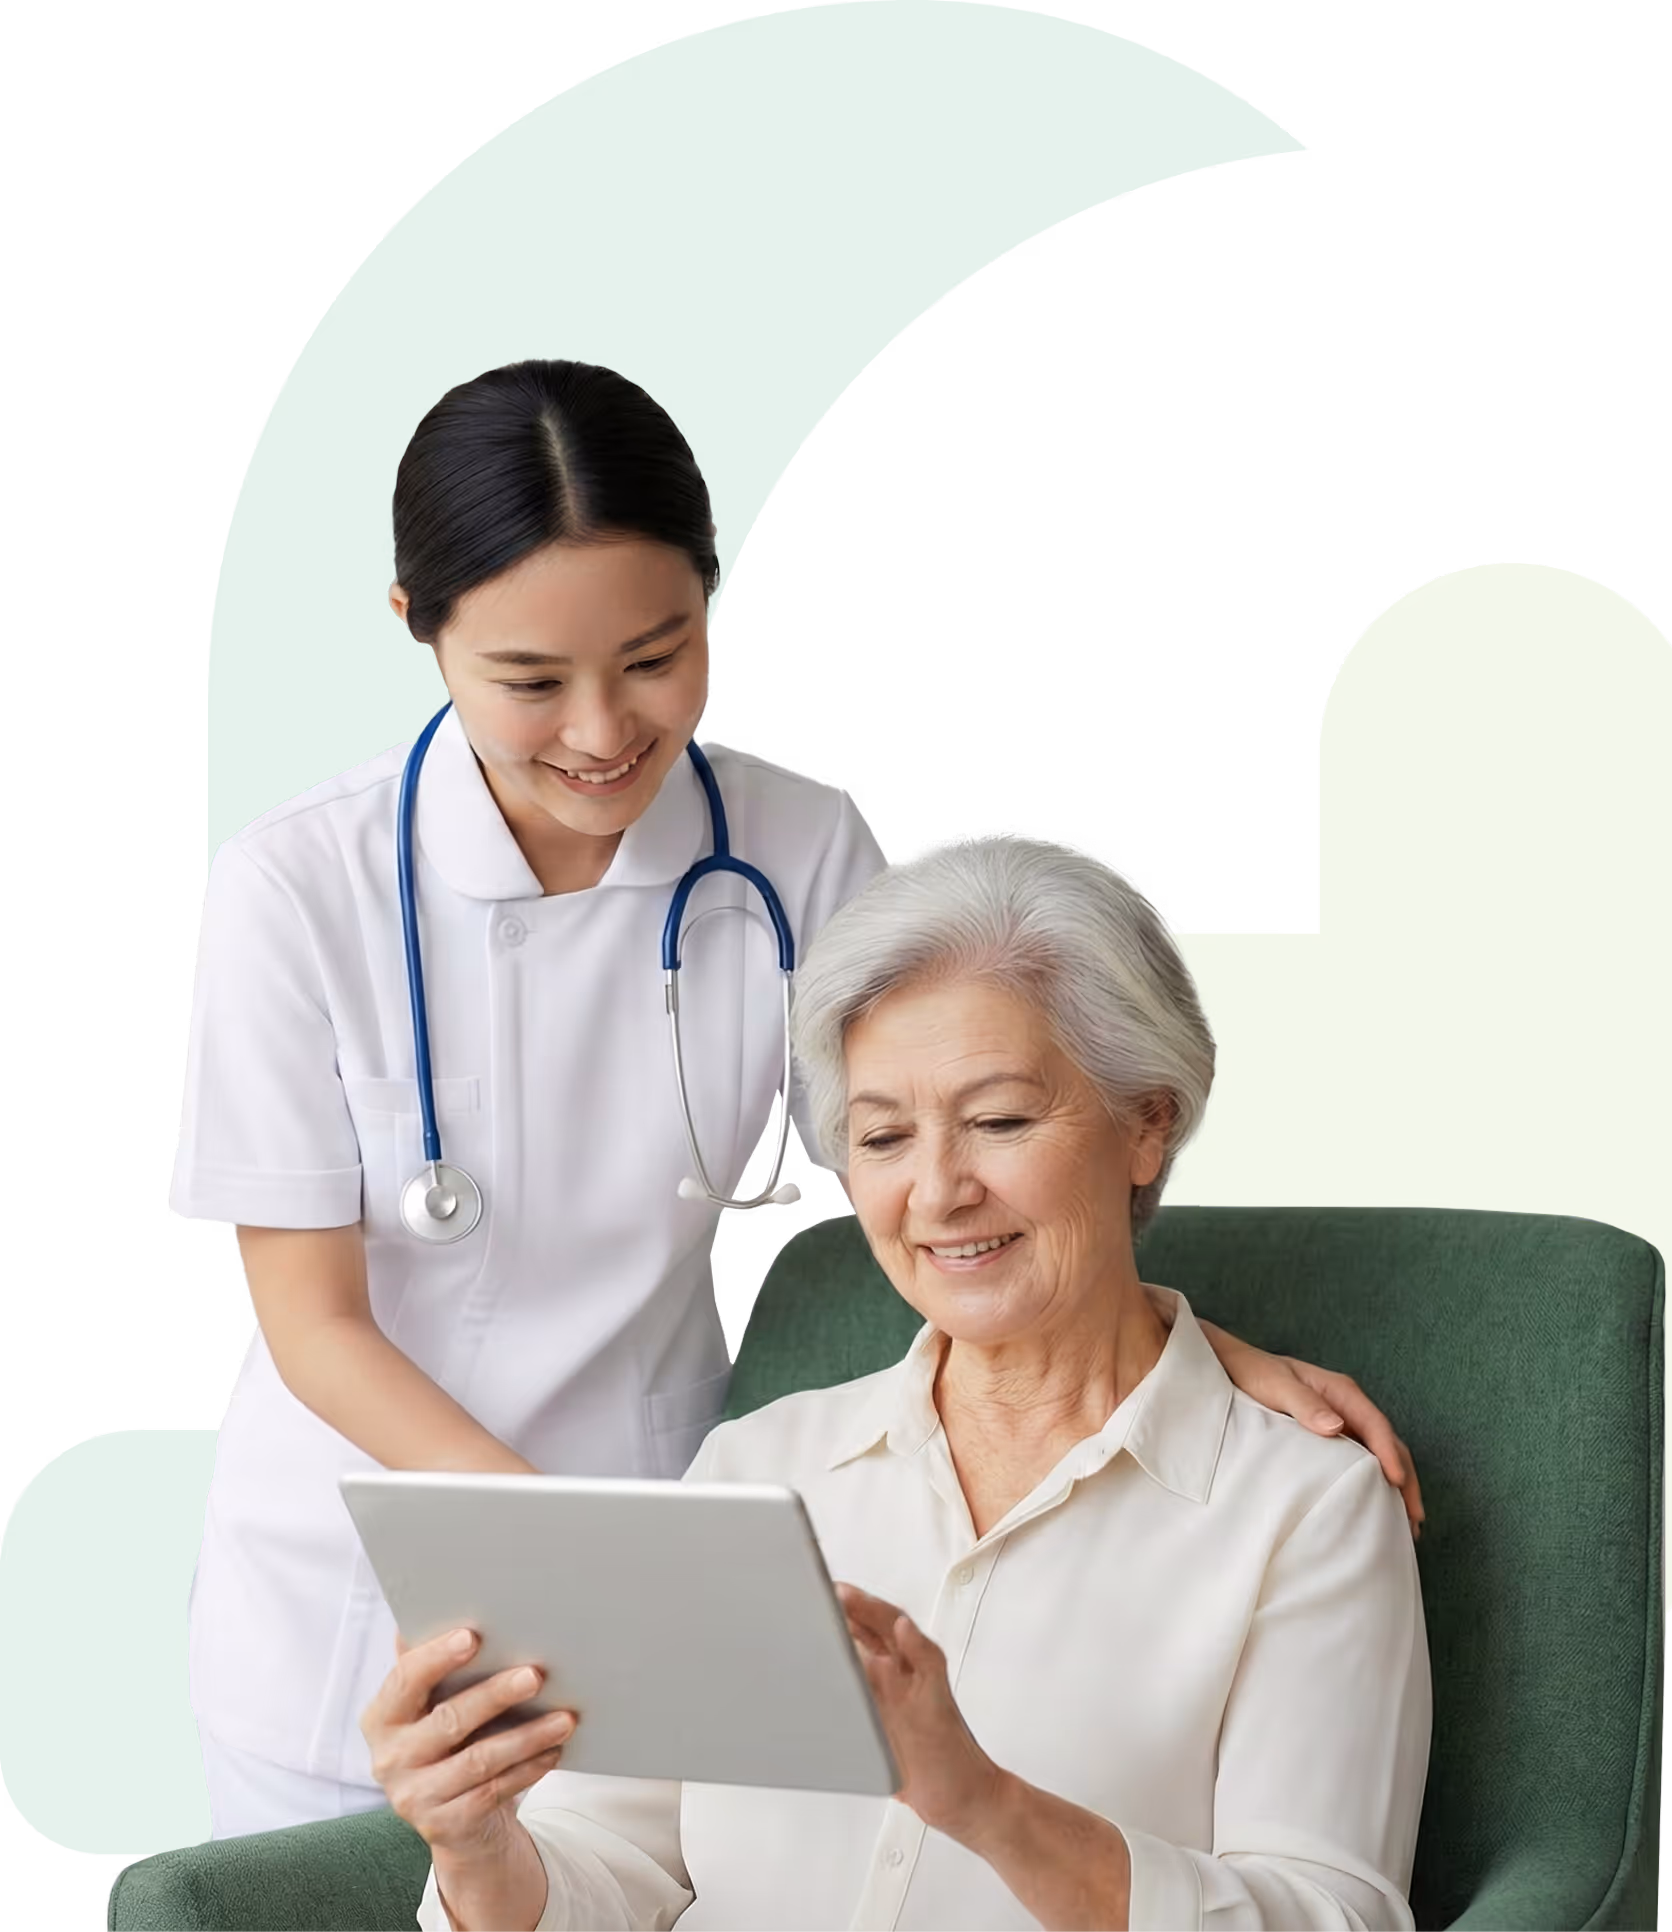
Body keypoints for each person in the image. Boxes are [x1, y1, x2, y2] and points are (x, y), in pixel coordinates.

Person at [173, 357, 1426, 1842]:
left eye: (657, 656)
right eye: (528, 682)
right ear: (416, 624)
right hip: (355, 1596)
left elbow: (957, 1163)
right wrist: (567, 1563)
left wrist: (1181, 1346)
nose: (600, 731)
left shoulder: (796, 842)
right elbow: (313, 1322)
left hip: (678, 1534)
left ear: (711, 594)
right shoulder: (291, 886)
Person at [367, 827, 1432, 1932]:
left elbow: (1328, 1917)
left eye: (999, 1121)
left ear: (1147, 1122)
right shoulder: (760, 1467)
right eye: (882, 1139)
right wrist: (479, 1845)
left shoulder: (1303, 1509)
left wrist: (983, 1805)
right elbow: (615, 1864)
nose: (937, 1193)